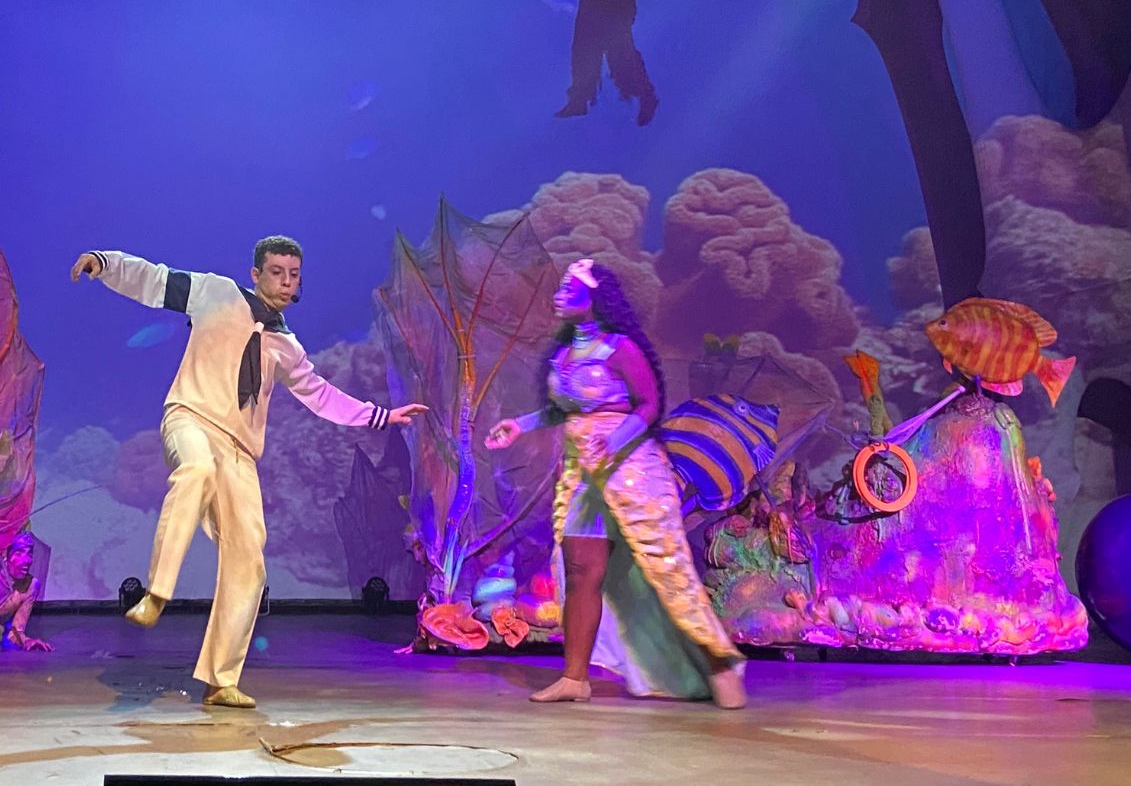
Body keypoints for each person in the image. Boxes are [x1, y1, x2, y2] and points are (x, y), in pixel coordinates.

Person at [71, 236, 426, 708]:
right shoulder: (216, 292)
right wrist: (106, 263)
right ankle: (156, 593)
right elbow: (156, 281)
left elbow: (321, 396)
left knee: (249, 558)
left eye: (293, 274)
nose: (286, 282)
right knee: (196, 469)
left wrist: (381, 415)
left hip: (238, 450)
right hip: (191, 418)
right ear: (256, 274)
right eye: (277, 272)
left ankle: (221, 679)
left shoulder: (286, 346)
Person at [485, 258, 744, 707]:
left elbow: (648, 404)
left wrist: (616, 440)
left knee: (665, 568)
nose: (559, 294)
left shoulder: (620, 347)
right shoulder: (564, 354)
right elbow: (564, 410)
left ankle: (718, 663)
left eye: (570, 287)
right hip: (582, 476)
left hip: (632, 470)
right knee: (581, 571)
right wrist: (520, 426)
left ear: (595, 298)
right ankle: (574, 678)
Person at [0, 532, 51, 651]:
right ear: (6, 555)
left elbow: (16, 631)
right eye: (19, 553)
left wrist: (26, 641)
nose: (26, 560)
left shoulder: (31, 586)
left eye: (29, 554)